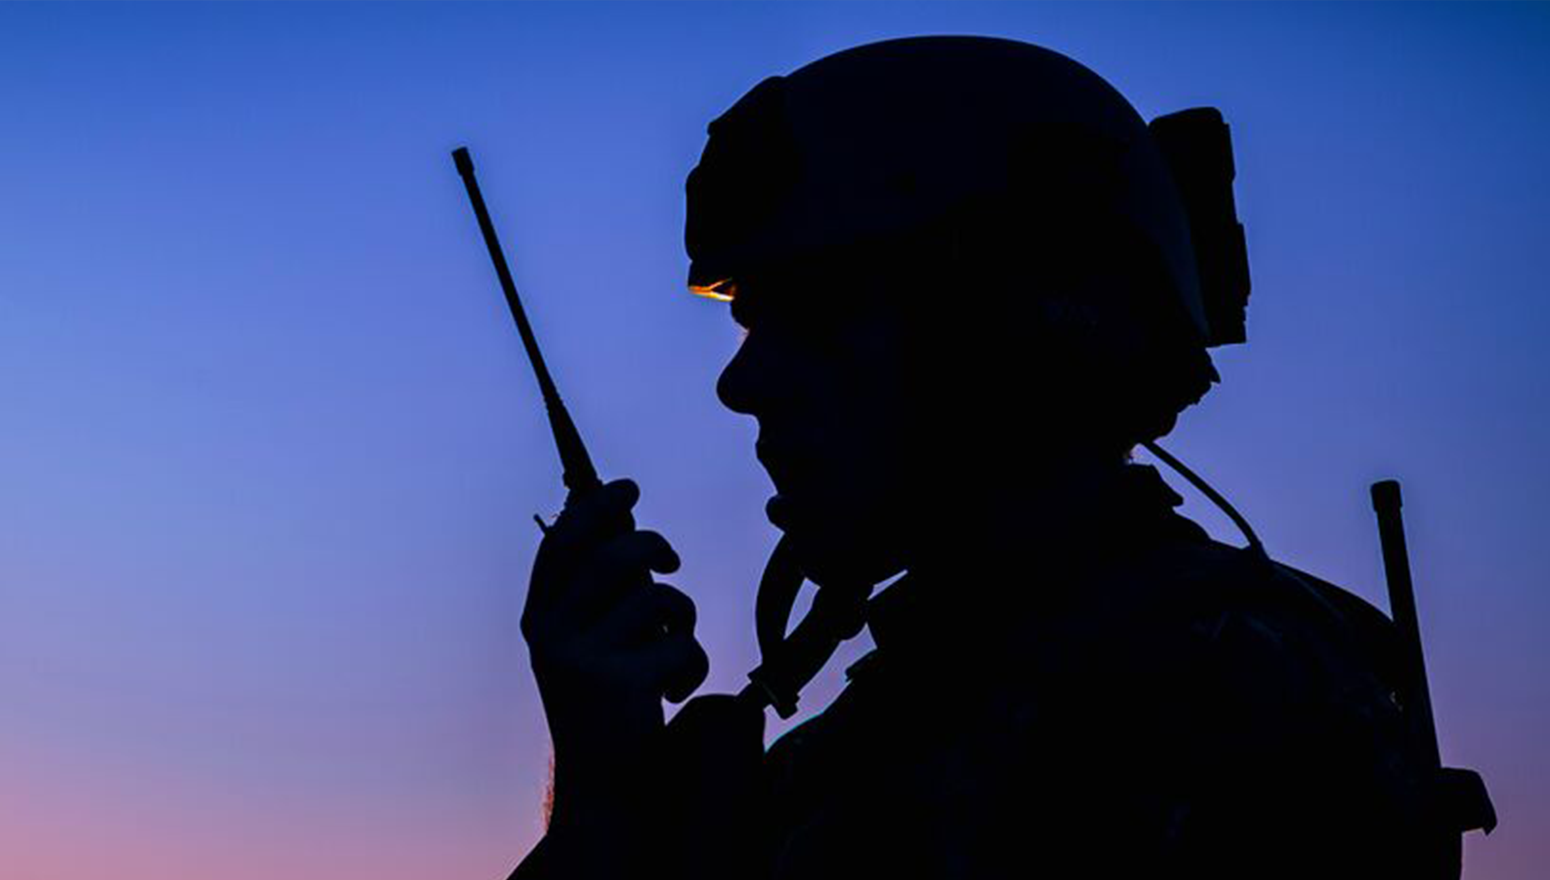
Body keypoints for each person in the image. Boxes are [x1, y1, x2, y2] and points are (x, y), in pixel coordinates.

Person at [508, 37, 1488, 879]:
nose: (744, 385)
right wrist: (605, 795)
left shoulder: (1215, 694)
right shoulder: (884, 739)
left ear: (1008, 330)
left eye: (813, 318)